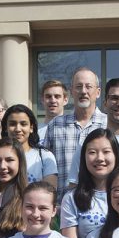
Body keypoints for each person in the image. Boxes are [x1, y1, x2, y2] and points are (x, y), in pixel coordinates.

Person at [43, 67, 108, 195]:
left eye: (88, 86)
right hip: (61, 206)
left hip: (100, 207)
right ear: (71, 91)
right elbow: (45, 168)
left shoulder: (108, 124)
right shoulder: (55, 125)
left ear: (98, 92)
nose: (83, 91)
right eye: (78, 86)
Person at [1, 104, 58, 185]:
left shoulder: (44, 156)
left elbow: (50, 191)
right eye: (12, 124)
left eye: (23, 124)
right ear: (6, 128)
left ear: (31, 128)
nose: (18, 129)